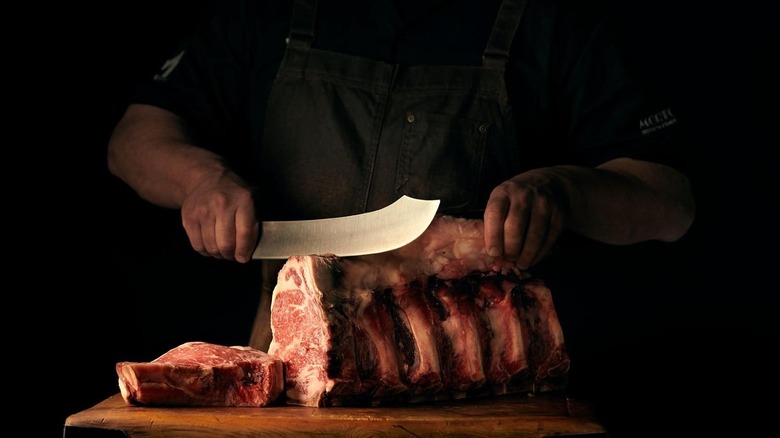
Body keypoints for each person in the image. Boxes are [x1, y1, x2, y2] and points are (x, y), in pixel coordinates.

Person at [107, 0, 695, 432]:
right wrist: (200, 179)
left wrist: (564, 189)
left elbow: (669, 201)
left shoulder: (551, 21)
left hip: (480, 400)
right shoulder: (267, 13)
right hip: (297, 389)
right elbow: (134, 138)